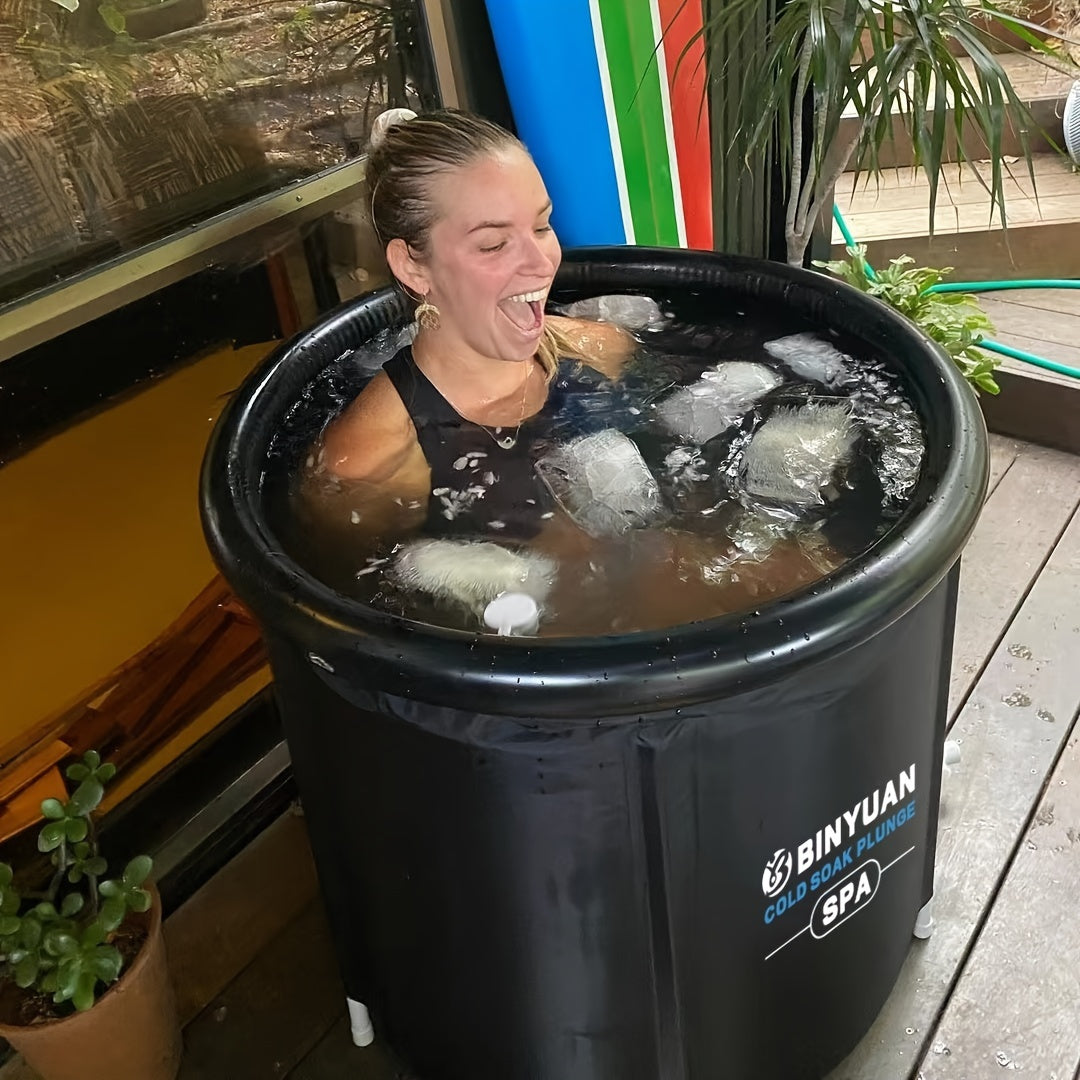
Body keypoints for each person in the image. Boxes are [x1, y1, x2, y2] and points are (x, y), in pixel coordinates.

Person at [316, 107, 635, 542]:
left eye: (542, 226)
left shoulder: (599, 348)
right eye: (493, 243)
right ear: (413, 267)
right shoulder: (372, 463)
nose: (543, 264)